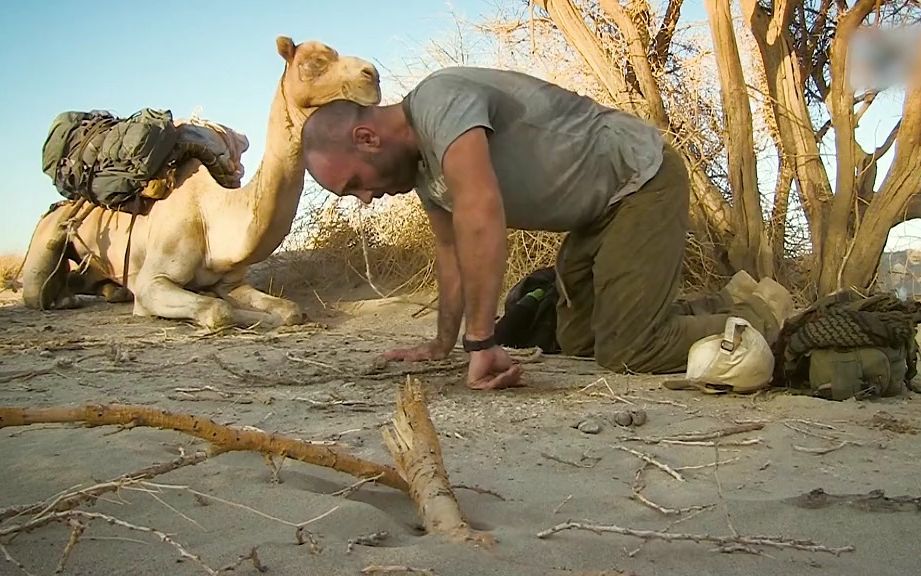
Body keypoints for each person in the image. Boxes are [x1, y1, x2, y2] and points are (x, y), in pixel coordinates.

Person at [300, 66, 780, 390]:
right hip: (594, 217)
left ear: (367, 138)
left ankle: (763, 318)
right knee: (578, 341)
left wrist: (482, 341)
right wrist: (441, 343)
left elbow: (481, 212)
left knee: (630, 349)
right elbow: (451, 258)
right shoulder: (425, 171)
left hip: (639, 181)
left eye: (354, 184)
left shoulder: (438, 101)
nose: (364, 198)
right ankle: (721, 305)